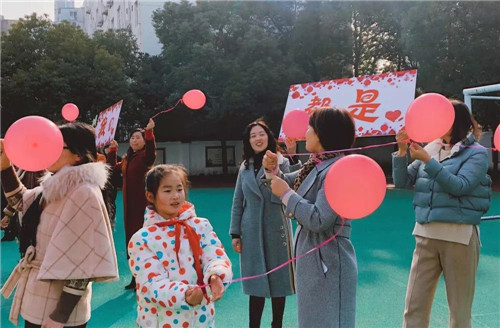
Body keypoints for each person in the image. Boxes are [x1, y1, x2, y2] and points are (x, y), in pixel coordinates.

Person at [0, 122, 118, 328]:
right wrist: (5, 165)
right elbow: (21, 202)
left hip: (60, 309)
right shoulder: (56, 186)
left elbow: (84, 263)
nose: (47, 150)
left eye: (55, 145)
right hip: (40, 296)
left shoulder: (83, 193)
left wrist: (60, 316)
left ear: (78, 155)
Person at [393, 99, 491, 328]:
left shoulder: (476, 153)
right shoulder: (431, 148)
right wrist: (402, 151)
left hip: (459, 238)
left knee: (459, 312)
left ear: (455, 121)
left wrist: (428, 161)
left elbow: (460, 186)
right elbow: (402, 182)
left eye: (441, 117)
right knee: (413, 308)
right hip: (425, 235)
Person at [263, 107, 358, 328]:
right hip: (313, 260)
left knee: (330, 322)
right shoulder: (317, 164)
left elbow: (318, 219)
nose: (305, 132)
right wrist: (271, 172)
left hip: (329, 261)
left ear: (324, 133)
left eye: (310, 127)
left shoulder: (338, 169)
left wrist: (285, 192)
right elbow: (284, 181)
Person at [128, 164, 232, 328]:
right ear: (150, 196)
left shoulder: (200, 226)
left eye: (179, 189)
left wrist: (216, 275)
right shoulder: (142, 239)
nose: (175, 196)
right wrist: (184, 295)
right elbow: (151, 283)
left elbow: (216, 256)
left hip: (201, 319)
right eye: (167, 191)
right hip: (161, 321)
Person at [230, 119, 299, 328]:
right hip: (250, 229)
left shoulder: (281, 161)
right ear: (248, 141)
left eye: (261, 134)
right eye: (253, 136)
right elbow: (237, 200)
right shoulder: (245, 166)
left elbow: (289, 189)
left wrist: (289, 158)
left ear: (269, 137)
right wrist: (235, 233)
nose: (257, 138)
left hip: (276, 227)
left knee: (279, 282)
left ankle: (277, 324)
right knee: (256, 282)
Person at [107, 118, 156, 289]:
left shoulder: (144, 157)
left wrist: (149, 132)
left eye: (138, 137)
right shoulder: (128, 158)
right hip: (129, 207)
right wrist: (112, 151)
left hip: (143, 207)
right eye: (132, 137)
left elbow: (151, 154)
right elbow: (112, 171)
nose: (134, 140)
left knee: (143, 241)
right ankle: (136, 278)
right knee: (131, 241)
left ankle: (146, 278)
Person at [1, 169, 46, 242]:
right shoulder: (25, 172)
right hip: (26, 213)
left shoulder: (44, 172)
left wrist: (8, 215)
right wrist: (8, 214)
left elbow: (19, 197)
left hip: (37, 214)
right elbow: (19, 196)